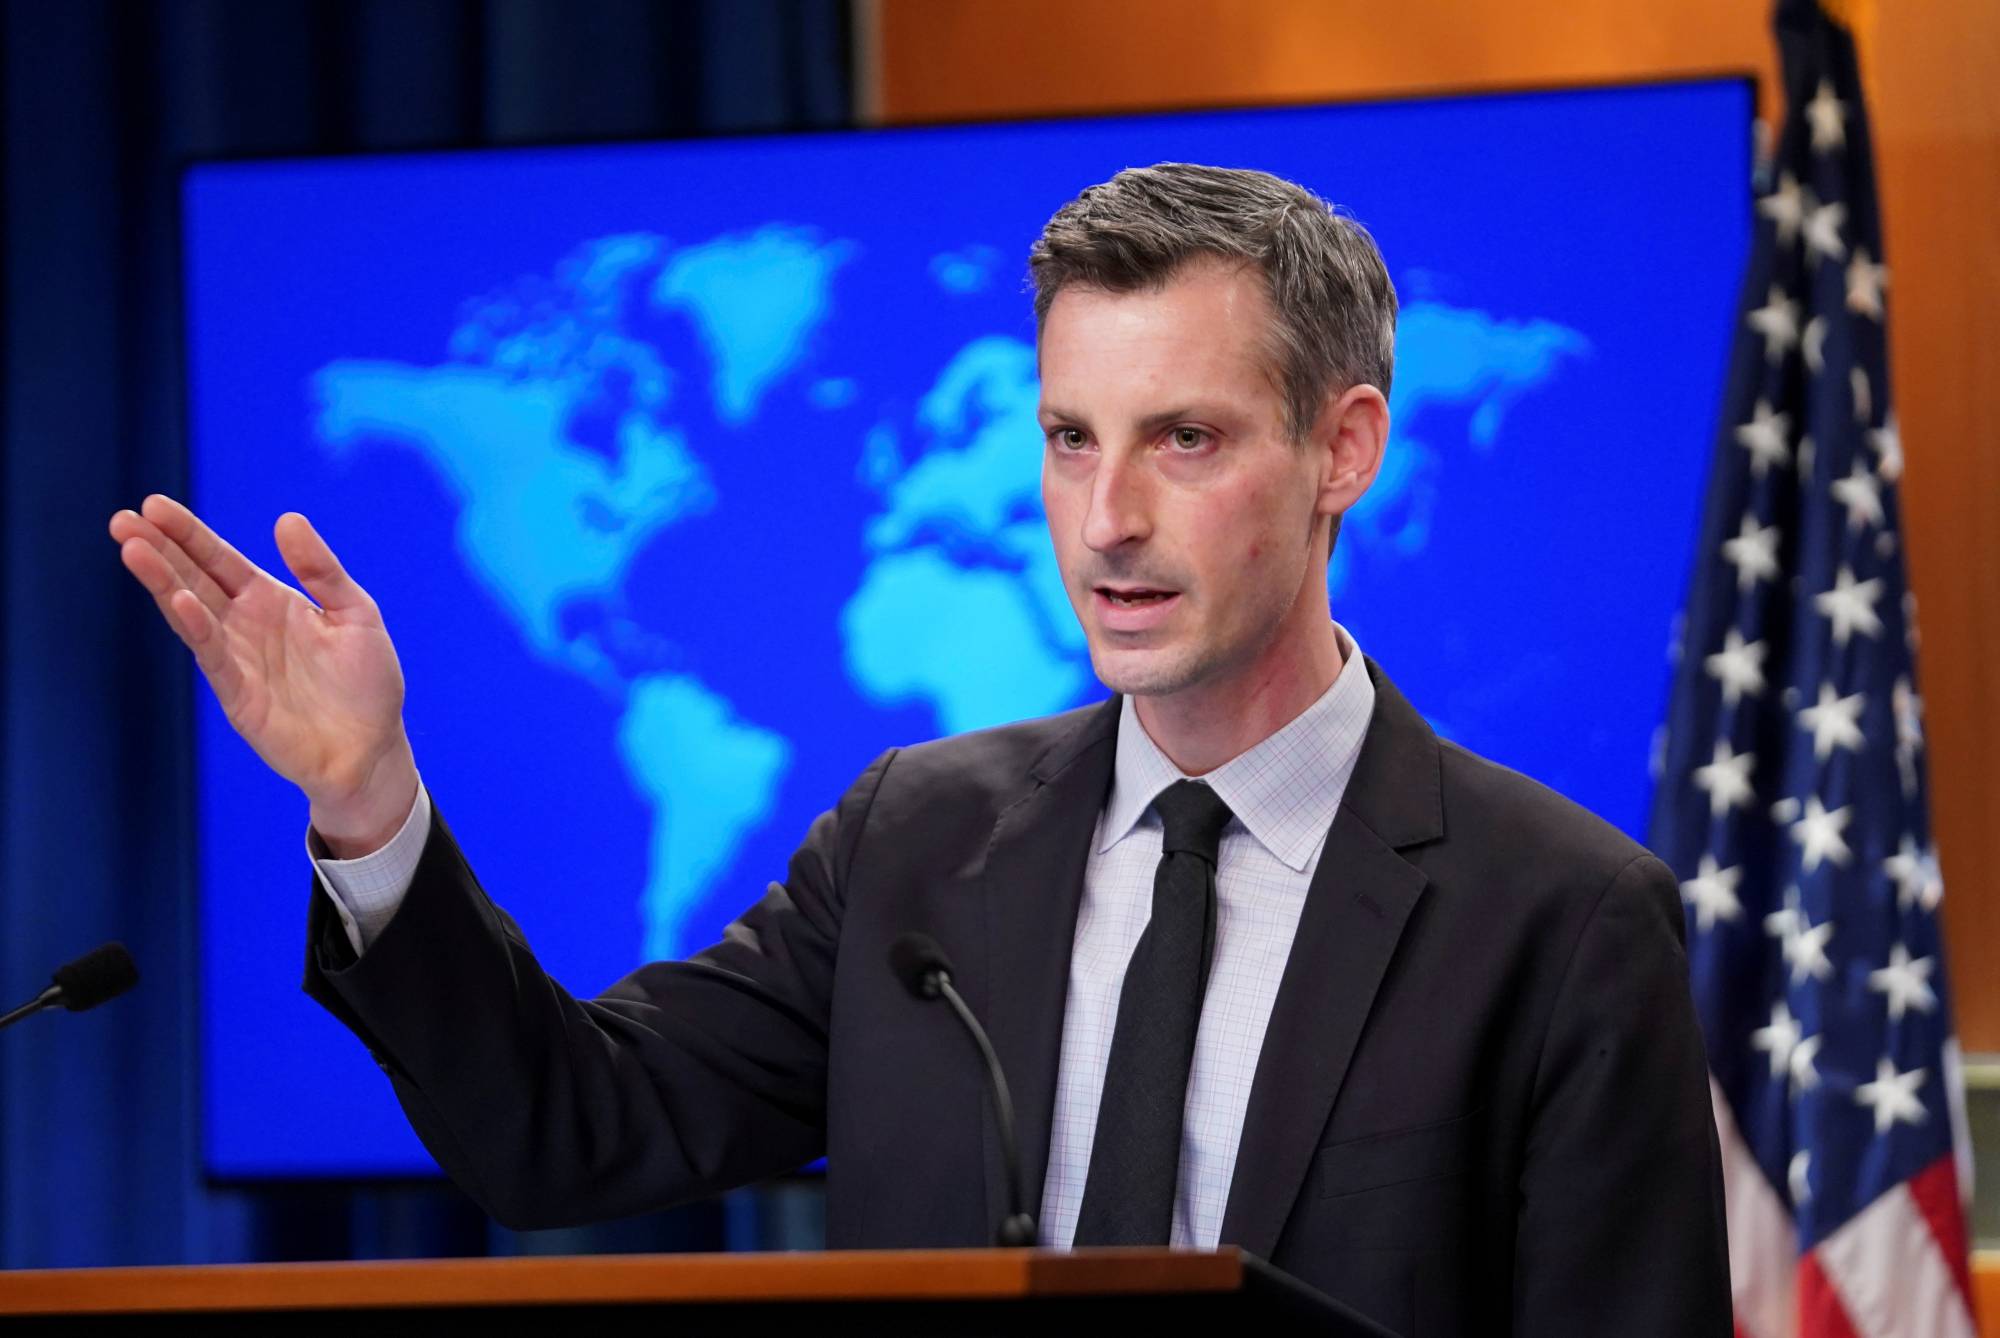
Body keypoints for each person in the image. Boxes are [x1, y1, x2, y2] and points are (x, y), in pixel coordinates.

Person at [109, 163, 1729, 1334]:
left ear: (1343, 451)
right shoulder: (920, 844)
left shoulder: (1561, 919)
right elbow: (569, 1128)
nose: (1109, 519)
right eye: (1068, 437)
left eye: (1188, 439)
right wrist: (366, 796)